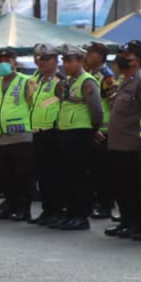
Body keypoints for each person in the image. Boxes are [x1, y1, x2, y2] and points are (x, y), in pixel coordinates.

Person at [54, 44, 103, 231]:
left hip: (80, 132)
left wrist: (93, 130)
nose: (66, 65)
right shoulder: (67, 81)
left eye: (70, 61)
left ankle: (81, 216)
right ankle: (71, 213)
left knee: (80, 177)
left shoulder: (87, 81)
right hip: (66, 131)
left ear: (81, 61)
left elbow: (96, 110)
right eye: (64, 61)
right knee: (68, 175)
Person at [103, 40, 141, 240]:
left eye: (125, 55)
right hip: (116, 144)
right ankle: (126, 221)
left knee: (132, 187)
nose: (120, 59)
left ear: (136, 61)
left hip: (131, 146)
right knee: (118, 185)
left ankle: (136, 223)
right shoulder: (122, 82)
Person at [0, 48, 37, 221]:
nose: (4, 63)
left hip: (22, 136)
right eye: (0, 61)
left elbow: (34, 106)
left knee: (22, 176)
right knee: (5, 175)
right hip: (2, 137)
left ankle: (23, 209)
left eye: (8, 60)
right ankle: (10, 205)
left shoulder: (26, 81)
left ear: (15, 62)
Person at [28, 44, 64, 227]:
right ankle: (47, 210)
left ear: (56, 61)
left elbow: (64, 106)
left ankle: (56, 211)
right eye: (40, 59)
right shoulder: (39, 80)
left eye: (47, 59)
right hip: (37, 132)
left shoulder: (60, 81)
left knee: (54, 175)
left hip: (53, 133)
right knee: (43, 175)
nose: (42, 62)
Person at [84, 42, 118, 219]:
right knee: (93, 170)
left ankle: (105, 205)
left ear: (100, 56)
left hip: (103, 132)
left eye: (90, 53)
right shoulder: (89, 75)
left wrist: (103, 131)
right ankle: (95, 202)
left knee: (103, 172)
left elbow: (113, 106)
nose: (87, 56)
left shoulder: (106, 77)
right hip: (91, 130)